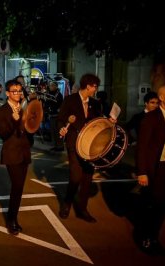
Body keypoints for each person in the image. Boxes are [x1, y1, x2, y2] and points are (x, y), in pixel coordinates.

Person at [133, 85, 165, 256]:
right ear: (162, 98)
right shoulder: (151, 118)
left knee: (164, 204)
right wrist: (142, 172)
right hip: (154, 169)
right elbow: (142, 148)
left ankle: (154, 237)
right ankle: (146, 238)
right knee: (153, 205)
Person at [57, 73, 110, 223]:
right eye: (95, 86)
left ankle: (82, 209)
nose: (96, 89)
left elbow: (98, 122)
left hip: (91, 146)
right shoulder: (70, 100)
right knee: (75, 176)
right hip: (74, 143)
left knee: (87, 178)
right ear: (88, 86)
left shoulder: (95, 103)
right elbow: (60, 119)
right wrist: (62, 127)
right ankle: (67, 204)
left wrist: (108, 122)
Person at [0, 79, 34, 235]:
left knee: (19, 189)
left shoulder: (25, 108)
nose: (18, 94)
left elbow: (30, 129)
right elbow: (3, 134)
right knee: (17, 186)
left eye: (19, 91)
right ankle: (11, 220)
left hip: (24, 151)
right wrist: (14, 119)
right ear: (7, 93)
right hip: (11, 153)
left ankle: (14, 217)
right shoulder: (1, 111)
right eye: (14, 91)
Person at [46, 81, 64, 151]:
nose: (50, 87)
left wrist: (55, 110)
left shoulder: (59, 95)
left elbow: (60, 105)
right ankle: (55, 145)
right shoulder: (49, 94)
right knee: (52, 131)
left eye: (52, 86)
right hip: (51, 115)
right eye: (50, 86)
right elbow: (47, 103)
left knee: (57, 131)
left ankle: (60, 146)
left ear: (56, 86)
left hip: (56, 116)